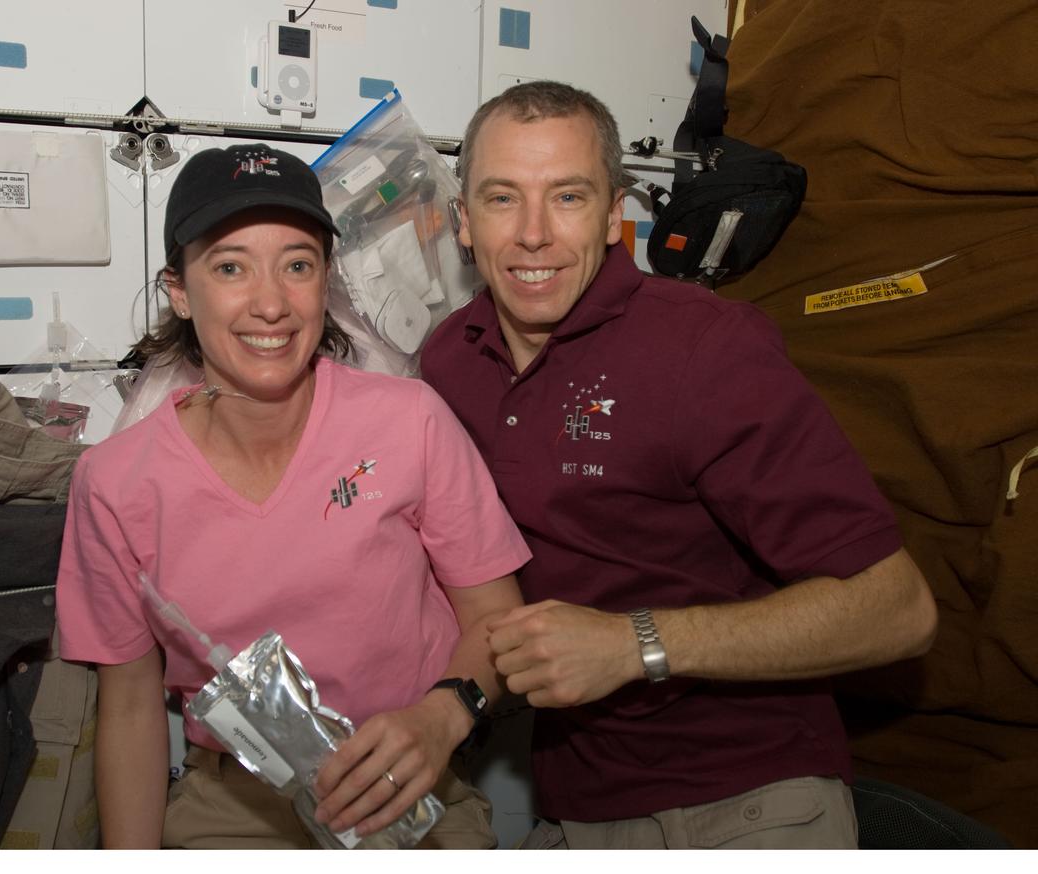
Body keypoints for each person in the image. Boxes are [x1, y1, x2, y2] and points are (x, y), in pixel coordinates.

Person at [419, 81, 939, 849]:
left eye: (568, 197)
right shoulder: (447, 364)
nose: (533, 234)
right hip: (574, 804)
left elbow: (897, 610)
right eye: (502, 199)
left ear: (613, 215)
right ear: (464, 221)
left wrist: (635, 644)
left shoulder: (704, 347)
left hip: (746, 796)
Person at [55, 143, 530, 848]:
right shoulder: (115, 482)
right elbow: (129, 708)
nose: (271, 303)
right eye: (230, 267)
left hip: (413, 787)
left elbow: (497, 617)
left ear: (325, 281)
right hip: (236, 809)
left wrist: (443, 715)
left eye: (298, 265)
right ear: (179, 290)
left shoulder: (411, 421)